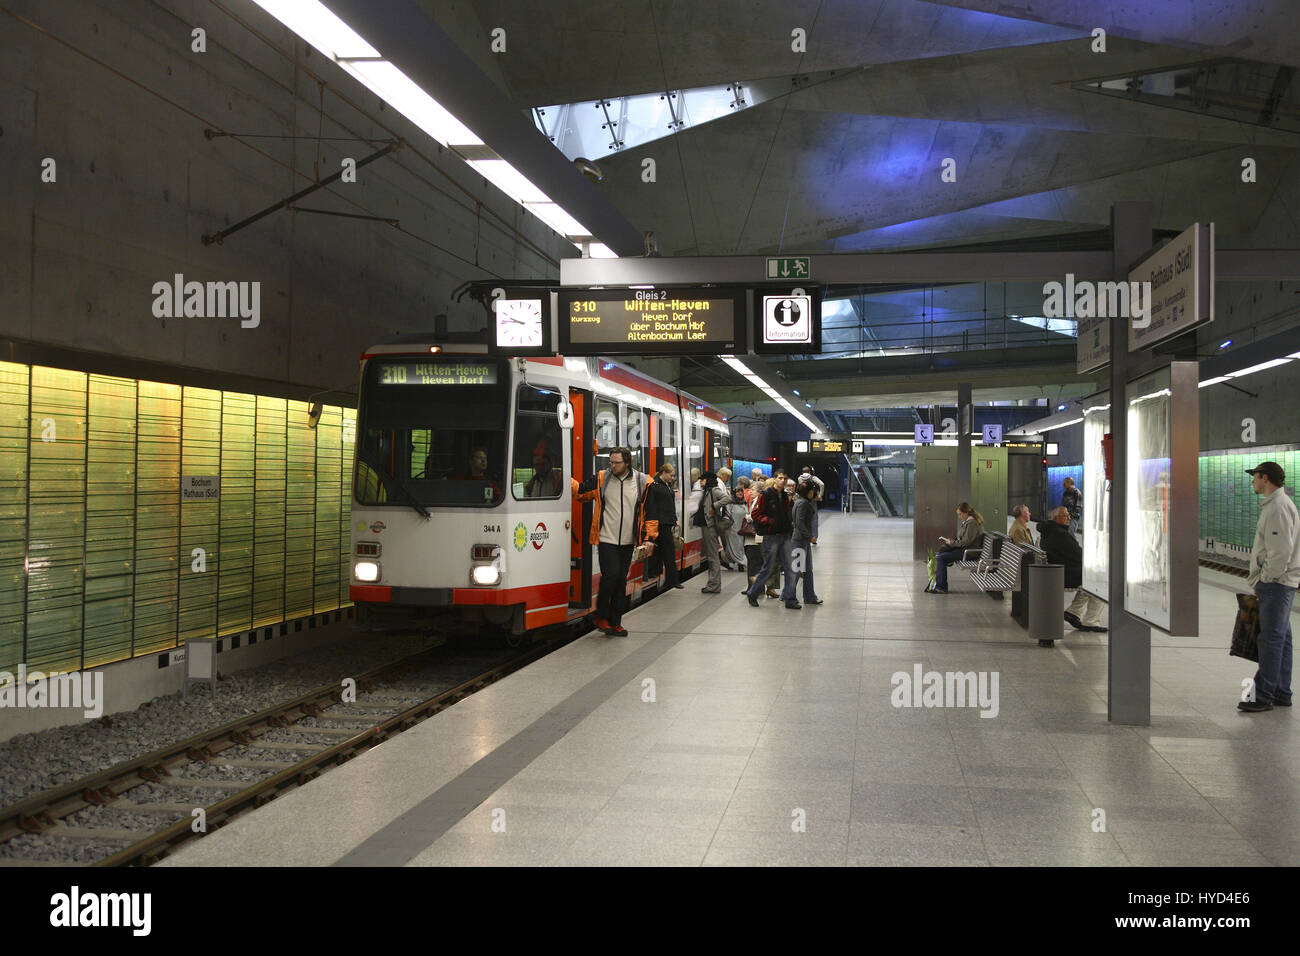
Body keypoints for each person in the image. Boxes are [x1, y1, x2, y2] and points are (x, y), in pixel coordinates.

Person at [1240, 461, 1299, 712]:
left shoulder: (1277, 508)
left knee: (1271, 640)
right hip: (1280, 584)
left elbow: (1280, 552)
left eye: (1255, 476)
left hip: (1276, 584)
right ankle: (1281, 692)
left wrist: (1265, 579)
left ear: (1265, 478)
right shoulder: (1277, 505)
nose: (1252, 481)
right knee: (1281, 639)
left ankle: (1262, 695)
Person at [573, 446, 651, 637]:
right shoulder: (602, 478)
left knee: (620, 582)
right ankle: (600, 616)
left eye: (616, 463)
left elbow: (651, 511)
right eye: (611, 462)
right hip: (606, 538)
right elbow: (581, 493)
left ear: (627, 463)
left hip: (628, 541)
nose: (612, 466)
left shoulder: (642, 481)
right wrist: (565, 476)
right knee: (611, 576)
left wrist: (649, 538)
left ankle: (616, 623)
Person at [1037, 505, 1106, 632]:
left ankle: (1073, 612)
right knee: (1100, 582)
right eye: (1065, 515)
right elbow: (1077, 554)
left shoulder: (1050, 531)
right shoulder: (1059, 534)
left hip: (1058, 570)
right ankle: (1091, 621)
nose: (1069, 518)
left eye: (1068, 515)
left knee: (1090, 581)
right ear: (1056, 518)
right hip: (1064, 574)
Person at [746, 475, 800, 609]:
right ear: (775, 479)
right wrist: (769, 521)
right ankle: (753, 593)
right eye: (780, 478)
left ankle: (790, 598)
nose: (783, 481)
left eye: (785, 479)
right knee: (768, 568)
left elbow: (786, 513)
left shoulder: (785, 496)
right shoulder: (765, 495)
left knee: (791, 568)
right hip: (771, 537)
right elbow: (755, 514)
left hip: (785, 535)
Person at [926, 503, 984, 595]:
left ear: (966, 513)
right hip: (965, 549)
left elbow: (966, 542)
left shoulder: (972, 523)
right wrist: (952, 541)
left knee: (941, 558)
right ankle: (938, 585)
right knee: (940, 555)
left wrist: (952, 543)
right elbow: (962, 539)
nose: (959, 516)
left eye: (960, 514)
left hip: (969, 552)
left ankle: (941, 587)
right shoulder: (967, 522)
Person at [643, 462, 683, 590]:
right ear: (664, 473)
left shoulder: (664, 485)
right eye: (671, 475)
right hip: (661, 523)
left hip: (666, 522)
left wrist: (674, 519)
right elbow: (653, 507)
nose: (672, 478)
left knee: (662, 551)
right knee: (668, 551)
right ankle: (672, 579)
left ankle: (660, 574)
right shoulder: (655, 486)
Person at [694, 471, 732, 594]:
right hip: (707, 527)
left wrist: (714, 506)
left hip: (710, 527)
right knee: (711, 556)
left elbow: (727, 498)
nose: (700, 482)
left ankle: (714, 586)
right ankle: (712, 584)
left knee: (713, 557)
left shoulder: (714, 490)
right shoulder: (707, 491)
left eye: (702, 480)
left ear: (708, 480)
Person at [791, 480, 823, 605]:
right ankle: (789, 595)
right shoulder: (803, 504)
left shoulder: (799, 502)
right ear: (809, 492)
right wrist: (810, 537)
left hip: (801, 540)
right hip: (800, 540)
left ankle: (809, 596)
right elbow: (800, 524)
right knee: (797, 571)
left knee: (807, 570)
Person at [799, 465, 825, 544]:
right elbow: (822, 484)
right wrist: (820, 494)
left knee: (802, 518)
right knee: (814, 519)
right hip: (812, 499)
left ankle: (805, 537)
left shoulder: (799, 478)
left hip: (802, 499)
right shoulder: (813, 477)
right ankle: (814, 538)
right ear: (810, 472)